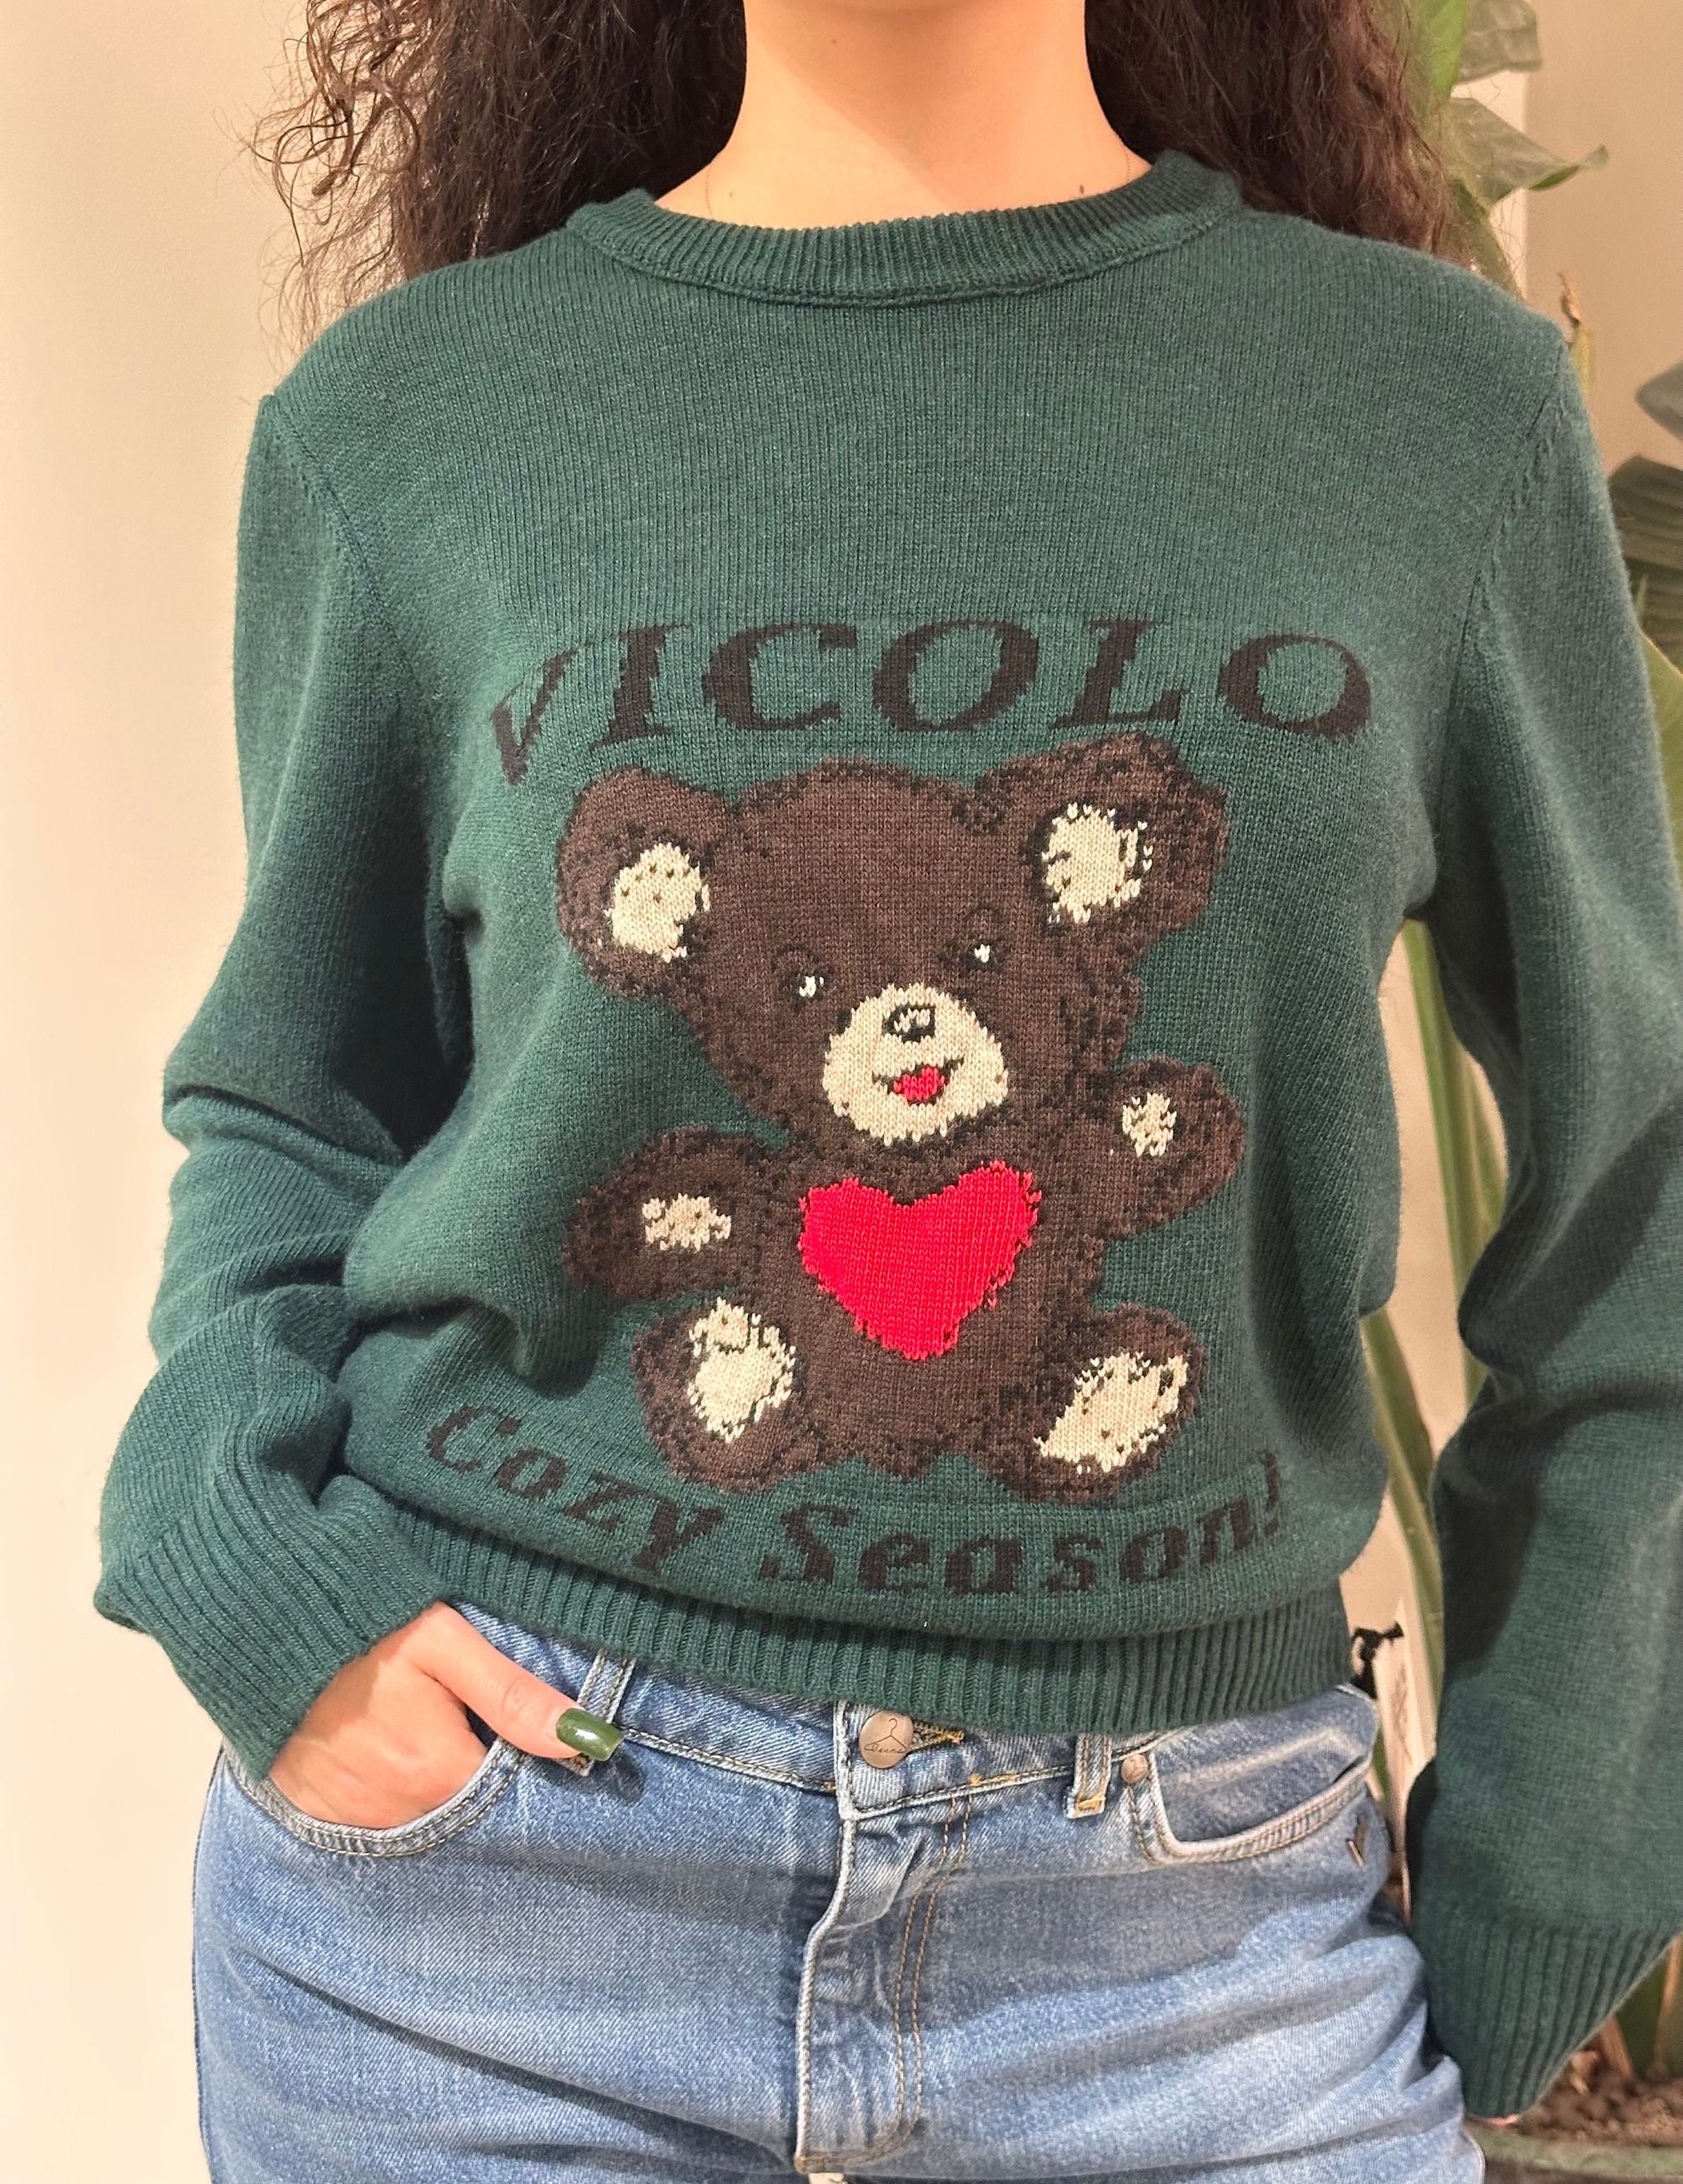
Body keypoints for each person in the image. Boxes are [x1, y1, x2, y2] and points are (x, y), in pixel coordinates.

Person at [97, 1, 1683, 2177]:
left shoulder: (1434, 411)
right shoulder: (411, 421)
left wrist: (1552, 1874)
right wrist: (249, 1572)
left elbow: (1635, 1185)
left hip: (1199, 1934)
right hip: (488, 1907)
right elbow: (293, 1104)